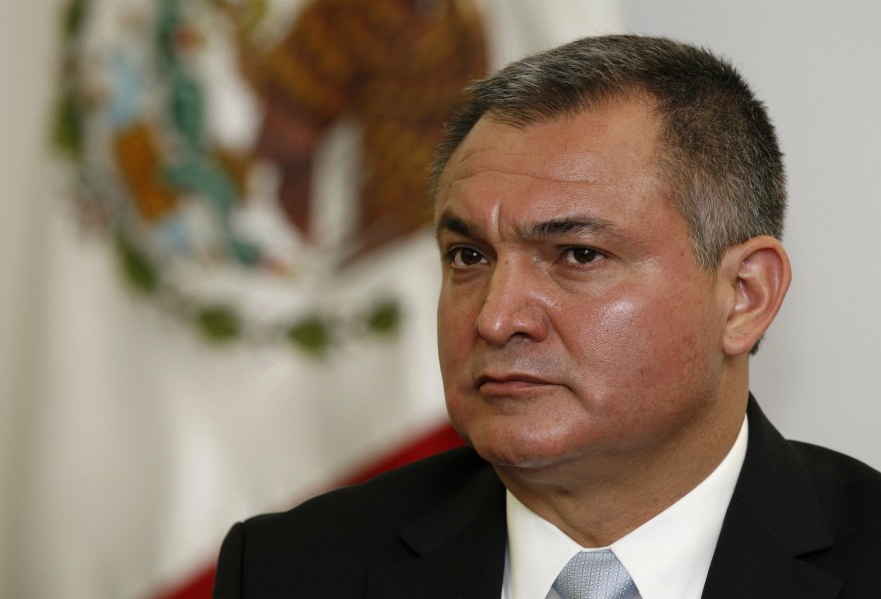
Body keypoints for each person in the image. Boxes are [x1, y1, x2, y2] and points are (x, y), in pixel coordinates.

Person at [212, 35, 881, 598]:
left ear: (744, 297)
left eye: (577, 254)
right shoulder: (289, 572)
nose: (496, 319)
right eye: (469, 255)